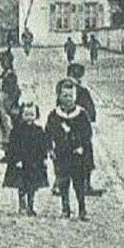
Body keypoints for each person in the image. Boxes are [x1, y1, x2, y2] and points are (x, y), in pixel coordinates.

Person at [47, 80, 94, 220]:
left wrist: (82, 146)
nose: (68, 99)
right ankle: (65, 208)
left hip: (76, 155)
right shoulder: (54, 115)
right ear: (59, 96)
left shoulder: (81, 115)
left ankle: (82, 209)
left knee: (78, 182)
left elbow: (87, 133)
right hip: (61, 154)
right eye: (65, 96)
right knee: (63, 182)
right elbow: (48, 133)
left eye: (71, 96)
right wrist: (50, 149)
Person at [61, 62, 103, 196]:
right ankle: (86, 186)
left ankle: (61, 185)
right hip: (81, 130)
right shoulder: (82, 91)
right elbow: (90, 111)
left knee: (66, 157)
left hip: (67, 130)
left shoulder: (63, 91)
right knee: (86, 158)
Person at [2, 102, 49, 215]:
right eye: (26, 114)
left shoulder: (38, 130)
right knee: (21, 185)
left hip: (34, 162)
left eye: (31, 114)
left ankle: (31, 206)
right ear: (21, 115)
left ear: (36, 115)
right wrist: (15, 160)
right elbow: (12, 147)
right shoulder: (17, 130)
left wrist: (44, 158)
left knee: (32, 185)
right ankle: (22, 205)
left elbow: (43, 146)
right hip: (21, 163)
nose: (29, 117)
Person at [0, 50, 22, 150]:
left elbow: (15, 91)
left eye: (5, 62)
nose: (3, 64)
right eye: (2, 62)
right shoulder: (3, 74)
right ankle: (6, 150)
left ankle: (11, 151)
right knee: (2, 126)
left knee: (8, 126)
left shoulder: (11, 75)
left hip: (8, 104)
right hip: (1, 103)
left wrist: (9, 103)